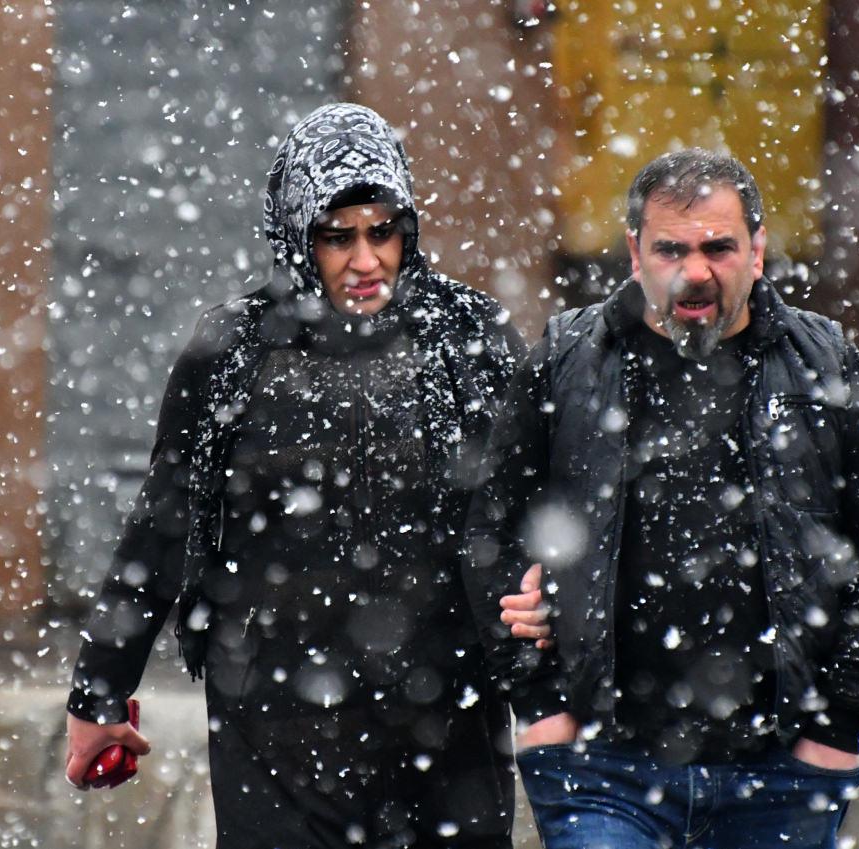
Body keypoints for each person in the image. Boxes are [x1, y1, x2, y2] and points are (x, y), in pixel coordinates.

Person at [64, 103, 530, 849]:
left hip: (446, 724)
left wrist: (553, 668)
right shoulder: (236, 352)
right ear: (295, 235)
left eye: (383, 231)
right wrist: (97, 690)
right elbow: (164, 522)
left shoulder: (468, 341)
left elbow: (531, 516)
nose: (366, 259)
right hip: (277, 731)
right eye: (336, 237)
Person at [465, 148, 859, 848]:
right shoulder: (567, 359)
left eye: (719, 247)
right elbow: (493, 527)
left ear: (758, 251)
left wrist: (837, 724)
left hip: (781, 772)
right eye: (672, 248)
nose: (696, 270)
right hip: (603, 766)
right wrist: (542, 701)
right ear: (634, 253)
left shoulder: (823, 363)